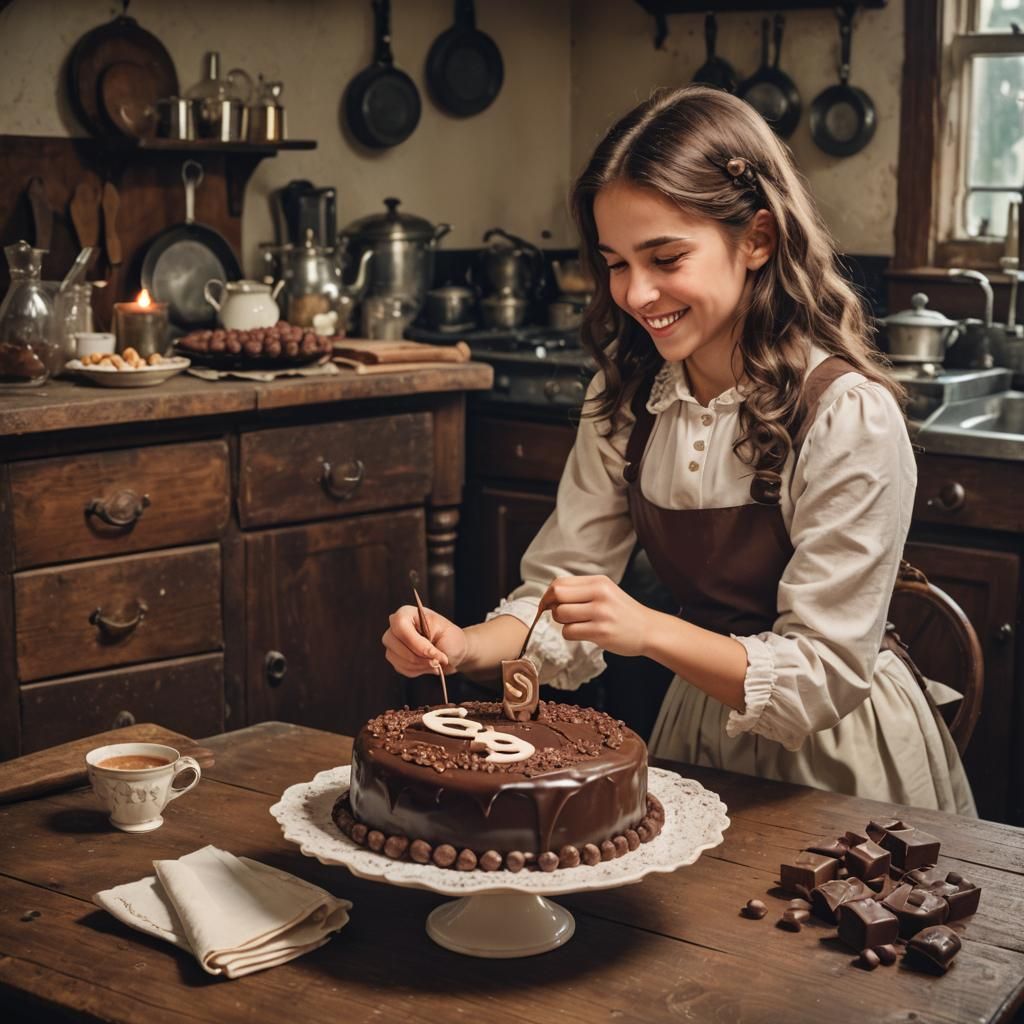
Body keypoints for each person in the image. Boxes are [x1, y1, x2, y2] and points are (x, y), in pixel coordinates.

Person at [382, 86, 976, 816]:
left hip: (843, 756)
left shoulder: (848, 414)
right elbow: (558, 592)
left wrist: (648, 629)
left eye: (665, 257)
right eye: (615, 262)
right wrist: (463, 645)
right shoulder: (629, 400)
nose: (635, 293)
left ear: (757, 238)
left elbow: (823, 676)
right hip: (699, 730)